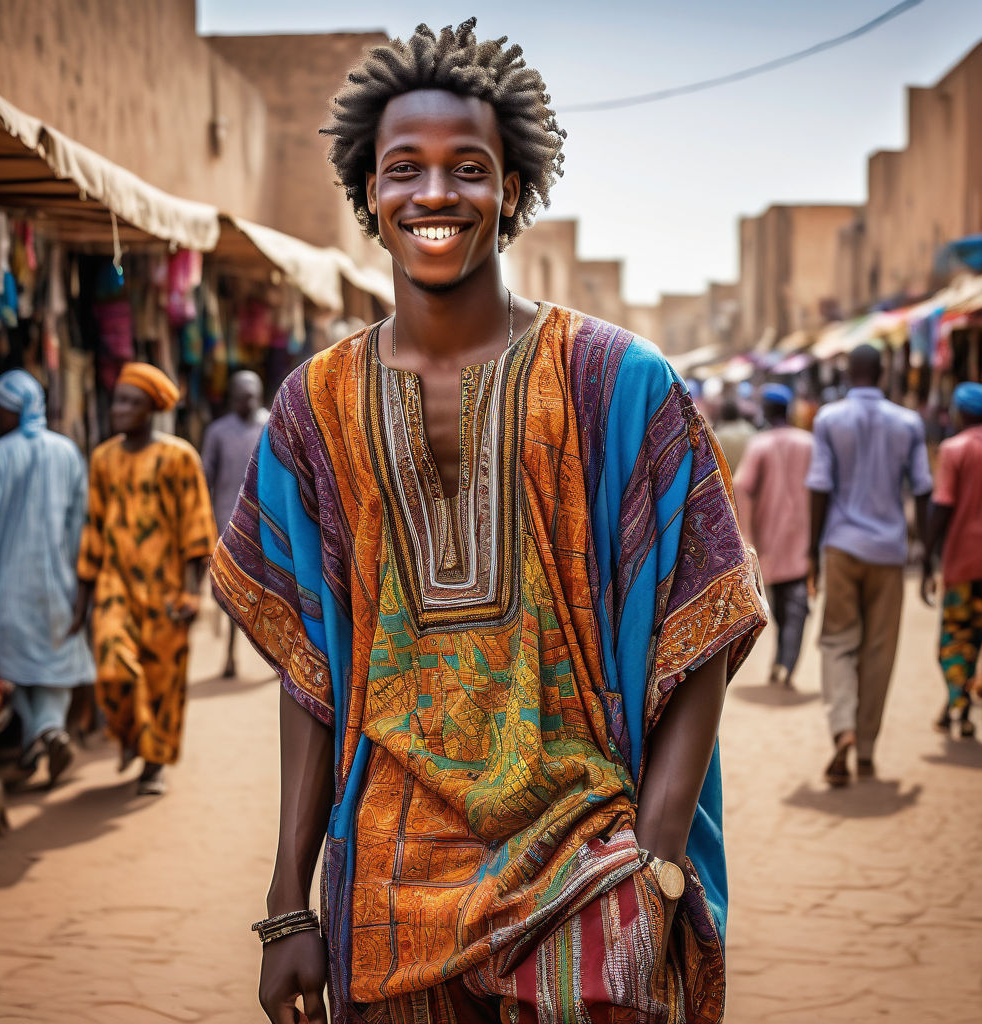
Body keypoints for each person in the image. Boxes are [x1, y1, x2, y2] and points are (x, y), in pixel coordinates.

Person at [213, 22, 766, 1024]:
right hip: (383, 883)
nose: (434, 194)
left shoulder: (616, 383)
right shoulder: (313, 409)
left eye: (468, 168)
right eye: (403, 169)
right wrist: (285, 905)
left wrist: (659, 860)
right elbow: (308, 675)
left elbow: (704, 618)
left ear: (512, 188)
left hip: (584, 866)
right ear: (367, 193)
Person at [70, 363, 216, 796]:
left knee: (162, 682)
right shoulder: (103, 458)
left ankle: (154, 765)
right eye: (117, 400)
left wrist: (192, 594)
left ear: (152, 408)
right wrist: (82, 602)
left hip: (166, 590)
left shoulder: (178, 457)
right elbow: (93, 529)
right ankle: (131, 736)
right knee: (113, 668)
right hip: (114, 587)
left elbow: (197, 530)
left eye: (130, 402)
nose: (118, 409)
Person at [0, 370, 94, 784]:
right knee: (54, 664)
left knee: (11, 666)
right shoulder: (68, 451)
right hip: (58, 582)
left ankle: (39, 735)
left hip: (7, 583)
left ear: (10, 410)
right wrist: (77, 578)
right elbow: (78, 521)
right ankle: (50, 730)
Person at [807, 344, 932, 786]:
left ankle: (842, 728)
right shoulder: (909, 423)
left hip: (841, 546)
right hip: (890, 552)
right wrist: (929, 557)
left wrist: (812, 554)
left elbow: (819, 486)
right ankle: (866, 747)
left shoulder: (828, 419)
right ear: (882, 373)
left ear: (848, 372)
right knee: (879, 650)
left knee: (838, 642)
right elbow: (922, 488)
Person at [733, 383, 814, 688]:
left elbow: (742, 487)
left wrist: (747, 536)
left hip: (769, 543)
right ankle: (786, 662)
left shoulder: (761, 444)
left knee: (782, 608)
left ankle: (783, 661)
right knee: (796, 609)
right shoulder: (808, 443)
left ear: (766, 410)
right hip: (803, 542)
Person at [921, 381, 982, 739]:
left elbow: (942, 505)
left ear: (960, 413)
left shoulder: (954, 449)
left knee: (956, 636)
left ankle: (958, 704)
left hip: (962, 564)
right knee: (976, 635)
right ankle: (958, 705)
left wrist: (928, 555)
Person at [201, 370, 268, 677]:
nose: (249, 401)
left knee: (272, 595)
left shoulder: (270, 424)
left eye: (253, 395)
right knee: (229, 594)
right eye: (243, 396)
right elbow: (206, 479)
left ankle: (277, 662)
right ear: (232, 398)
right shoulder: (218, 432)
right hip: (226, 523)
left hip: (267, 526)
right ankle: (229, 653)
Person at [713, 398, 756, 475]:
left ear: (722, 414)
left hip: (729, 482)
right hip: (748, 478)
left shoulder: (717, 437)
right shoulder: (750, 431)